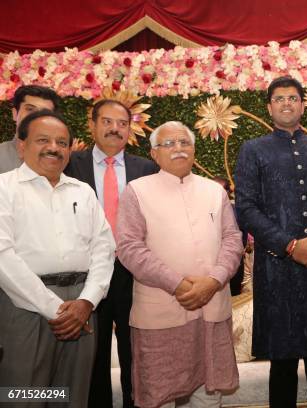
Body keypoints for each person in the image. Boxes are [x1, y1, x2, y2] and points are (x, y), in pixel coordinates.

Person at [234, 76, 307, 408]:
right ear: (269, 107)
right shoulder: (253, 149)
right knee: (282, 361)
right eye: (279, 98)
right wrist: (292, 246)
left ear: (302, 104)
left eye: (293, 97)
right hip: (277, 268)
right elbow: (247, 209)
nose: (286, 103)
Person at [116, 121, 242, 408]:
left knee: (209, 396)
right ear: (154, 154)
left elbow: (232, 239)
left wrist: (214, 280)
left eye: (185, 143)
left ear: (194, 150)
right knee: (160, 396)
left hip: (212, 306)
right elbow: (129, 248)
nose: (179, 149)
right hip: (161, 311)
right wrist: (178, 284)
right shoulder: (137, 191)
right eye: (169, 144)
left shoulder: (214, 191)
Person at [0, 110, 115, 406]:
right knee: (24, 395)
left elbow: (104, 248)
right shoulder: (4, 189)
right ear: (21, 146)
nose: (54, 147)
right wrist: (56, 309)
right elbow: (4, 257)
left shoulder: (83, 192)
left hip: (82, 308)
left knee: (71, 397)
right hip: (24, 306)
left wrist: (87, 301)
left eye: (62, 142)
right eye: (43, 140)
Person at [64, 99, 158, 408]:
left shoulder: (145, 168)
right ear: (91, 125)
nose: (114, 128)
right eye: (106, 121)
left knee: (135, 351)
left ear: (130, 129)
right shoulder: (69, 165)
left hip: (133, 274)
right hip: (88, 273)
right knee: (93, 351)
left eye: (122, 123)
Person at [0, 85, 61, 173]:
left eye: (44, 112)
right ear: (15, 114)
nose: (36, 116)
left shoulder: (63, 159)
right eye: (30, 109)